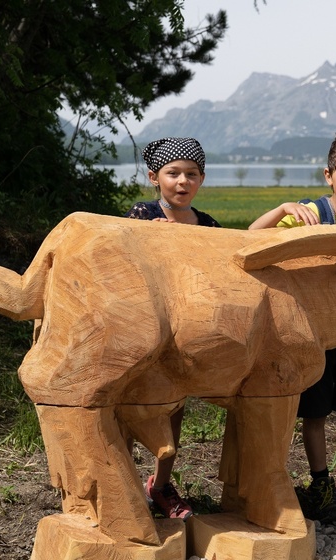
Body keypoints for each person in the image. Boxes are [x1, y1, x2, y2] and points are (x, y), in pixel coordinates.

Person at [249, 127, 336, 522]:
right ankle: (319, 481)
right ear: (328, 175)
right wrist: (282, 210)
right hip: (312, 335)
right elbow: (249, 240)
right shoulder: (310, 214)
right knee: (314, 412)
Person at [124, 136, 221, 520]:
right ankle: (126, 486)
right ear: (154, 177)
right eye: (173, 173)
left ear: (202, 179)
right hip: (142, 330)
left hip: (183, 337)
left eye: (191, 174)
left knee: (174, 411)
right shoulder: (142, 215)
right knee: (129, 410)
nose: (182, 182)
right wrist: (153, 239)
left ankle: (161, 486)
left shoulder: (208, 225)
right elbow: (123, 260)